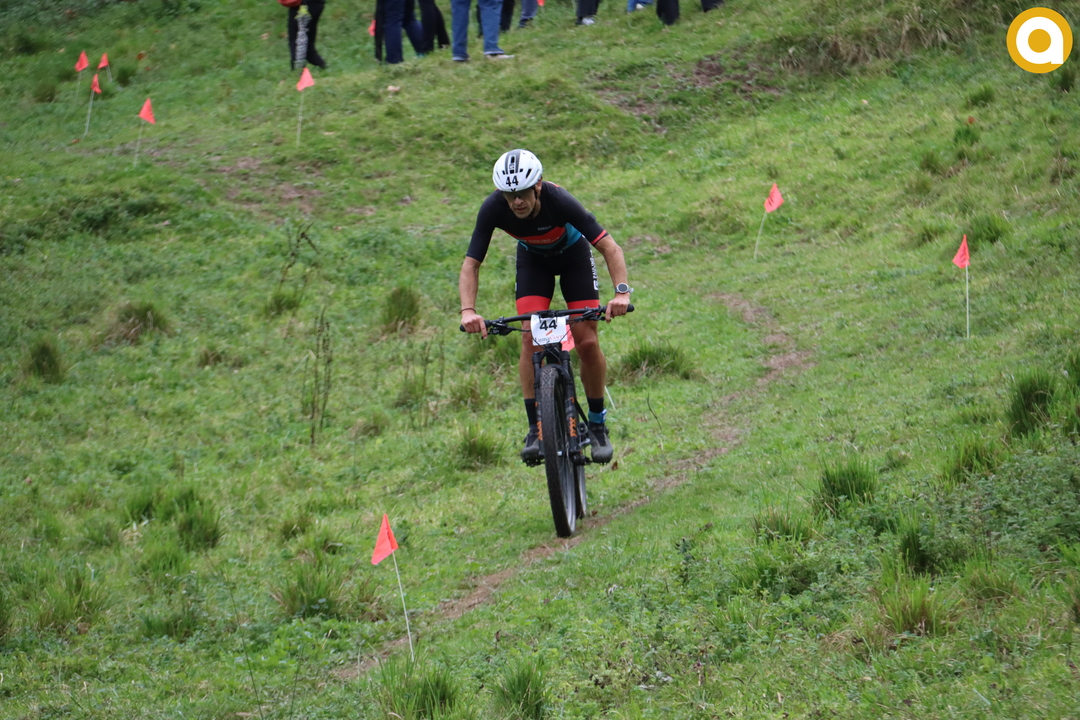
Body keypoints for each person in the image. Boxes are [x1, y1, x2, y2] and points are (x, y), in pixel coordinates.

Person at [459, 149, 632, 464]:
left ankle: (597, 424)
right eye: (509, 195)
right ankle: (535, 427)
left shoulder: (560, 200)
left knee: (587, 340)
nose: (516, 202)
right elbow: (471, 264)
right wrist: (468, 311)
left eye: (523, 193)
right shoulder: (493, 207)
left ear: (537, 185)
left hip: (574, 259)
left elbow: (610, 247)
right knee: (529, 337)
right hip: (533, 263)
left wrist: (621, 293)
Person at [287, 0, 327, 69]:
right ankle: (324, 68)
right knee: (308, 49)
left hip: (304, 5)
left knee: (297, 44)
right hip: (314, 4)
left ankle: (298, 72)